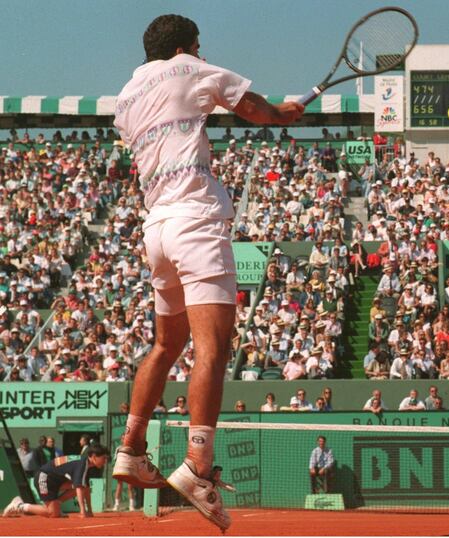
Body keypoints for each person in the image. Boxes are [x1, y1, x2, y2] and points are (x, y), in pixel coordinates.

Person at [112, 14, 304, 531]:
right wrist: (287, 113)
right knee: (213, 347)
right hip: (196, 222)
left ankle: (130, 449)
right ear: (184, 47)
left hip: (156, 230)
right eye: (197, 46)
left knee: (164, 345)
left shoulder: (127, 96)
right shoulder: (191, 68)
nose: (201, 53)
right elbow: (258, 110)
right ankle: (198, 467)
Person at [4, 444, 110, 519]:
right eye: (104, 458)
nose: (105, 461)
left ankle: (57, 505)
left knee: (84, 486)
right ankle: (19, 506)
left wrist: (89, 511)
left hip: (55, 481)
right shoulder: (82, 464)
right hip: (44, 478)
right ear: (94, 457)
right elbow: (78, 488)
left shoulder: (85, 464)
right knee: (52, 513)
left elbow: (85, 488)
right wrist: (83, 511)